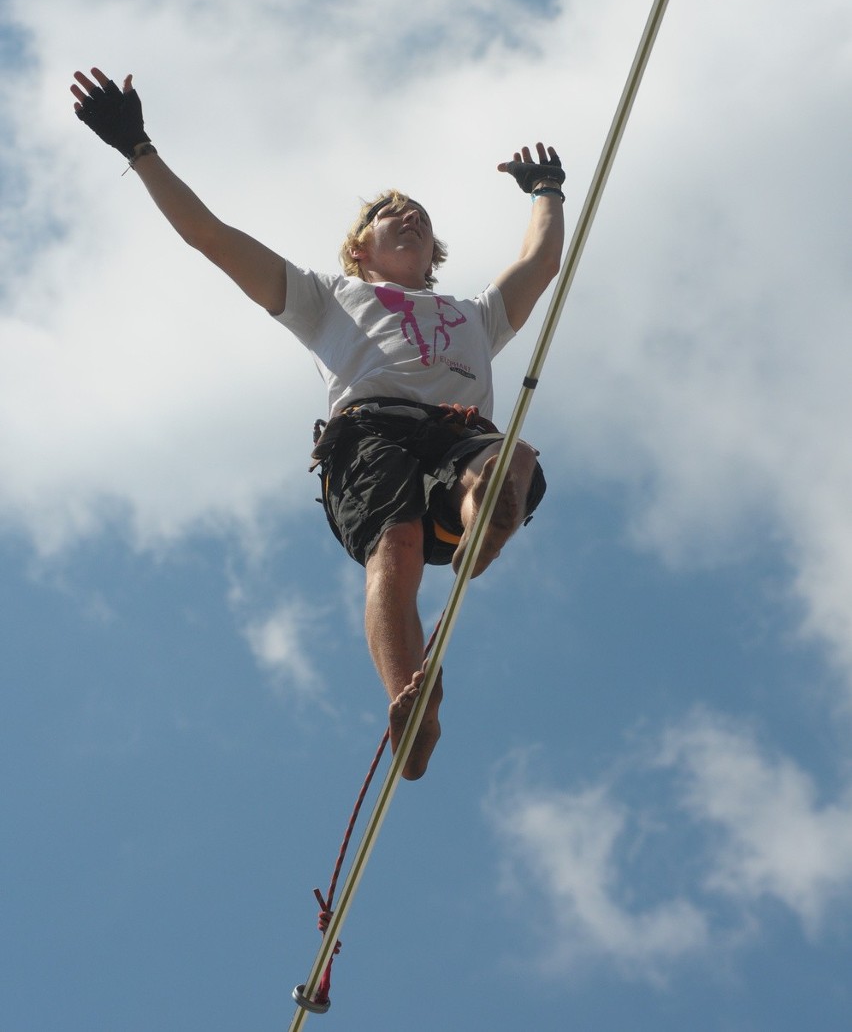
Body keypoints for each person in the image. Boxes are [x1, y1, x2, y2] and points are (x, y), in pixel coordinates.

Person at [70, 67, 566, 779]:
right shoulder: (325, 296)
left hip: (458, 435)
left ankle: (485, 516)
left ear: (435, 257)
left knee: (512, 454)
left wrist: (547, 190)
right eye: (390, 213)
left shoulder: (477, 316)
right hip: (369, 434)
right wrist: (138, 148)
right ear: (359, 249)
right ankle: (413, 701)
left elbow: (542, 260)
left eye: (421, 216)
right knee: (391, 551)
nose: (410, 216)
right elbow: (209, 235)